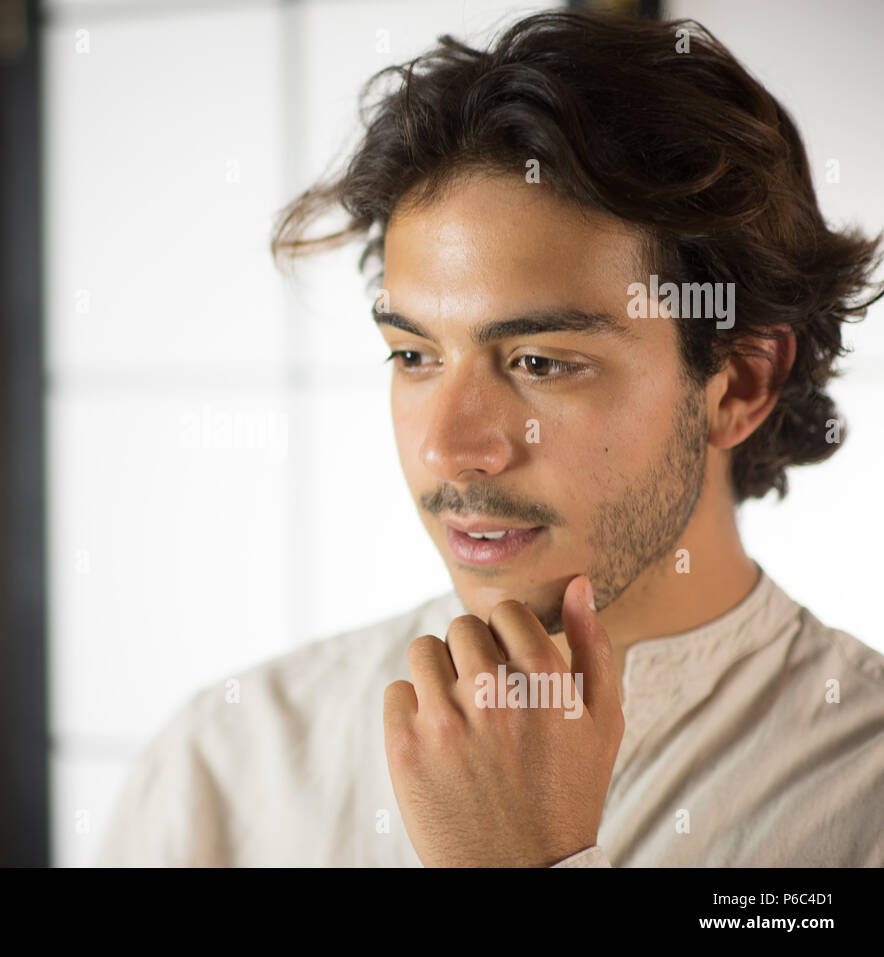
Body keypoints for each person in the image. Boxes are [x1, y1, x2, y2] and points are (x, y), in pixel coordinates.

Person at [96, 9, 884, 867]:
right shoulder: (233, 764)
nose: (450, 447)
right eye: (413, 354)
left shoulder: (858, 790)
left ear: (737, 383)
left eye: (540, 361)